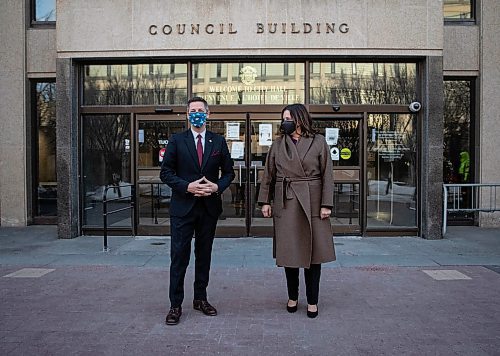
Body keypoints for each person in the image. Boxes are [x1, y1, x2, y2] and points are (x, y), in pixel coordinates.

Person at [160, 96, 235, 325]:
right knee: (179, 257)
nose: (196, 113)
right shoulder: (176, 140)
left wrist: (216, 187)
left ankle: (200, 299)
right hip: (183, 208)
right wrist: (187, 186)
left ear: (208, 114)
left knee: (204, 256)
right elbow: (166, 172)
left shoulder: (218, 141)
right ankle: (175, 305)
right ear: (186, 115)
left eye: (200, 110)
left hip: (208, 209)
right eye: (192, 110)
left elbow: (229, 173)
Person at [258, 103, 336, 319]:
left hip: (313, 200)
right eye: (283, 118)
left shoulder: (319, 142)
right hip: (286, 201)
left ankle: (312, 300)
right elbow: (268, 175)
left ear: (301, 118)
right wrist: (265, 201)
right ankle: (292, 297)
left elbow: (327, 175)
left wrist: (326, 204)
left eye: (289, 117)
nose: (286, 121)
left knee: (314, 254)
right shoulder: (277, 144)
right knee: (289, 252)